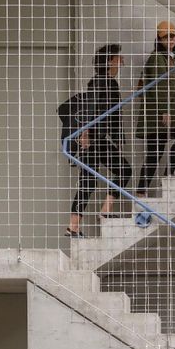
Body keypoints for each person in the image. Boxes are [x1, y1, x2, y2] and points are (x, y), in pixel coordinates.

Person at [66, 44, 132, 238]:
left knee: (89, 181)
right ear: (109, 61)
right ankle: (98, 214)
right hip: (95, 138)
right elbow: (91, 108)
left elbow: (111, 114)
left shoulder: (103, 81)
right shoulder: (103, 82)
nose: (121, 61)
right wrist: (85, 132)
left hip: (98, 137)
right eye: (118, 58)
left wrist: (117, 138)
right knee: (114, 173)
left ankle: (76, 225)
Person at [135, 22, 175, 197]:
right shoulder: (157, 57)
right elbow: (158, 87)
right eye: (166, 37)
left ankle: (145, 190)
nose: (171, 39)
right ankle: (164, 178)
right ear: (159, 39)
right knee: (161, 149)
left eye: (173, 36)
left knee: (155, 152)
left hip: (162, 112)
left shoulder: (168, 57)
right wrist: (165, 111)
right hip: (157, 114)